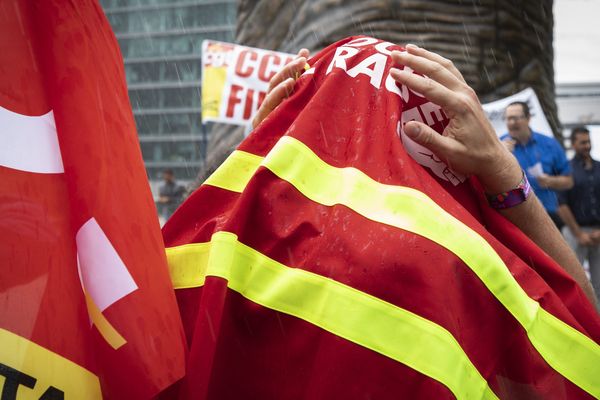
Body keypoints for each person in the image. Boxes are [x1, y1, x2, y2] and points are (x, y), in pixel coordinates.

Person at [254, 44, 596, 305]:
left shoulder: (267, 261)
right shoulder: (470, 263)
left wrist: (257, 172)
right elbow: (581, 325)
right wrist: (503, 170)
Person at [500, 101, 573, 228]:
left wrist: (550, 181)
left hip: (549, 214)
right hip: (514, 216)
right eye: (508, 119)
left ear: (528, 118)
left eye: (516, 118)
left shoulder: (549, 144)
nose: (512, 122)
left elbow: (569, 182)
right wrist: (501, 156)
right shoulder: (498, 145)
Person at [558, 126, 600, 295]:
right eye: (583, 142)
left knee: (599, 282)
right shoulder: (566, 170)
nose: (587, 145)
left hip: (598, 233)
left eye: (588, 142)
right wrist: (578, 234)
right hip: (574, 232)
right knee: (574, 280)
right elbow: (561, 205)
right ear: (573, 144)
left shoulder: (599, 167)